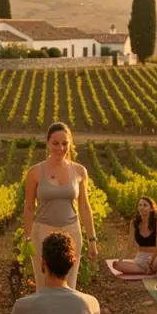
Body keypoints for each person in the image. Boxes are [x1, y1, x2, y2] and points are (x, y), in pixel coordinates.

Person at [22, 122, 99, 290]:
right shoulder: (35, 172)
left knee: (69, 284)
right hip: (42, 232)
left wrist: (92, 240)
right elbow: (28, 208)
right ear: (48, 143)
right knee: (43, 284)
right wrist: (27, 239)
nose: (60, 147)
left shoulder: (79, 171)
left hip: (71, 232)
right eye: (56, 143)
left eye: (65, 143)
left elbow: (85, 207)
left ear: (70, 143)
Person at [112, 196, 157, 276]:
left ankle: (149, 268)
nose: (141, 207)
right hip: (140, 258)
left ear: (151, 209)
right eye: (140, 205)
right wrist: (120, 260)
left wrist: (151, 262)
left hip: (155, 257)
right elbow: (129, 247)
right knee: (116, 265)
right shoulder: (133, 223)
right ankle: (146, 270)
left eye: (145, 205)